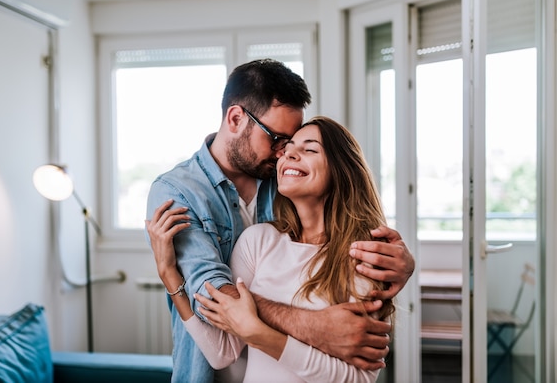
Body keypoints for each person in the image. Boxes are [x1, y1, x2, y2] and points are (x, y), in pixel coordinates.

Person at [145, 59, 414, 383]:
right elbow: (212, 296)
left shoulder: (287, 182)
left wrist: (405, 263)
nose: (283, 154)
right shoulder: (178, 192)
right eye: (277, 140)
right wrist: (317, 326)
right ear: (235, 118)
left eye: (293, 144)